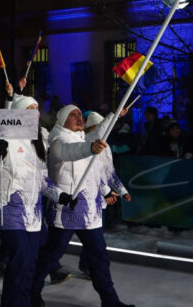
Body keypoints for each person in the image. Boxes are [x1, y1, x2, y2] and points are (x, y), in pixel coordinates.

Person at [30, 105, 134, 307]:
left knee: (99, 257)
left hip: (89, 213)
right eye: (73, 114)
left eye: (79, 114)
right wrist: (90, 148)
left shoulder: (83, 139)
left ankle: (110, 302)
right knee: (51, 255)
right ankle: (32, 292)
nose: (78, 117)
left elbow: (100, 132)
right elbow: (72, 151)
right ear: (62, 120)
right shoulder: (57, 142)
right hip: (65, 210)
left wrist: (114, 115)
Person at [0, 94, 69, 307]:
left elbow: (43, 181)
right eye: (30, 109)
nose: (35, 113)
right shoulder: (4, 137)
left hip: (33, 215)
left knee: (30, 263)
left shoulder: (37, 144)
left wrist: (60, 195)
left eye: (36, 110)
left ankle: (24, 301)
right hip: (8, 208)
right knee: (20, 258)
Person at [79, 112, 130, 278]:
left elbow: (110, 173)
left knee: (94, 238)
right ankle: (92, 268)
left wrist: (122, 191)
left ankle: (86, 265)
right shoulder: (86, 143)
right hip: (87, 199)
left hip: (102, 200)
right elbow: (91, 176)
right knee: (94, 239)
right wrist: (115, 114)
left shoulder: (105, 147)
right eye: (100, 127)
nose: (105, 130)